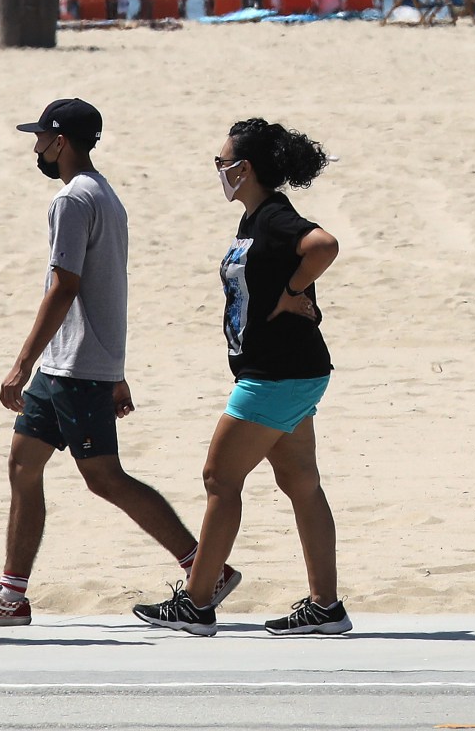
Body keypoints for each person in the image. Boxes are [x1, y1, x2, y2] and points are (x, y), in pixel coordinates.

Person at [0, 100, 238, 630]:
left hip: (74, 366)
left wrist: (20, 364)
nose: (36, 148)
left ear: (61, 141)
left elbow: (67, 286)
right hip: (70, 363)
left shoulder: (72, 199)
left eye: (41, 137)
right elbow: (109, 285)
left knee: (104, 478)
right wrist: (113, 368)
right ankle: (12, 594)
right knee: (24, 465)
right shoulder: (105, 194)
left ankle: (204, 566)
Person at [133, 118, 349, 637]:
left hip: (275, 374)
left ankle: (197, 602)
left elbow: (324, 245)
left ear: (244, 168)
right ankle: (325, 607)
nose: (219, 170)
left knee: (219, 478)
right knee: (301, 483)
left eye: (222, 162)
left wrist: (293, 290)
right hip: (292, 372)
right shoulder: (254, 220)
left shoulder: (274, 218)